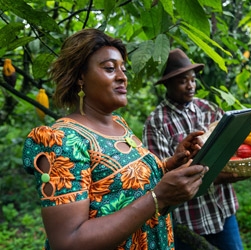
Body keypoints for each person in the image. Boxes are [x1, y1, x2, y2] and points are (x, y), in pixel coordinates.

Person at [22, 29, 209, 250]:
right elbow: (68, 241)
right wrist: (157, 197)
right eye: (110, 68)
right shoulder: (61, 141)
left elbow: (124, 184)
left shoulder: (120, 125)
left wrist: (169, 164)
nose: (122, 76)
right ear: (80, 76)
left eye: (123, 68)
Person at [142, 48, 251, 250]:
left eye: (192, 79)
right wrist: (214, 174)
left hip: (222, 211)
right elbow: (161, 174)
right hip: (188, 218)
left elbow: (241, 142)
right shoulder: (156, 123)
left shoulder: (209, 109)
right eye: (182, 81)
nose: (190, 85)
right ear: (168, 84)